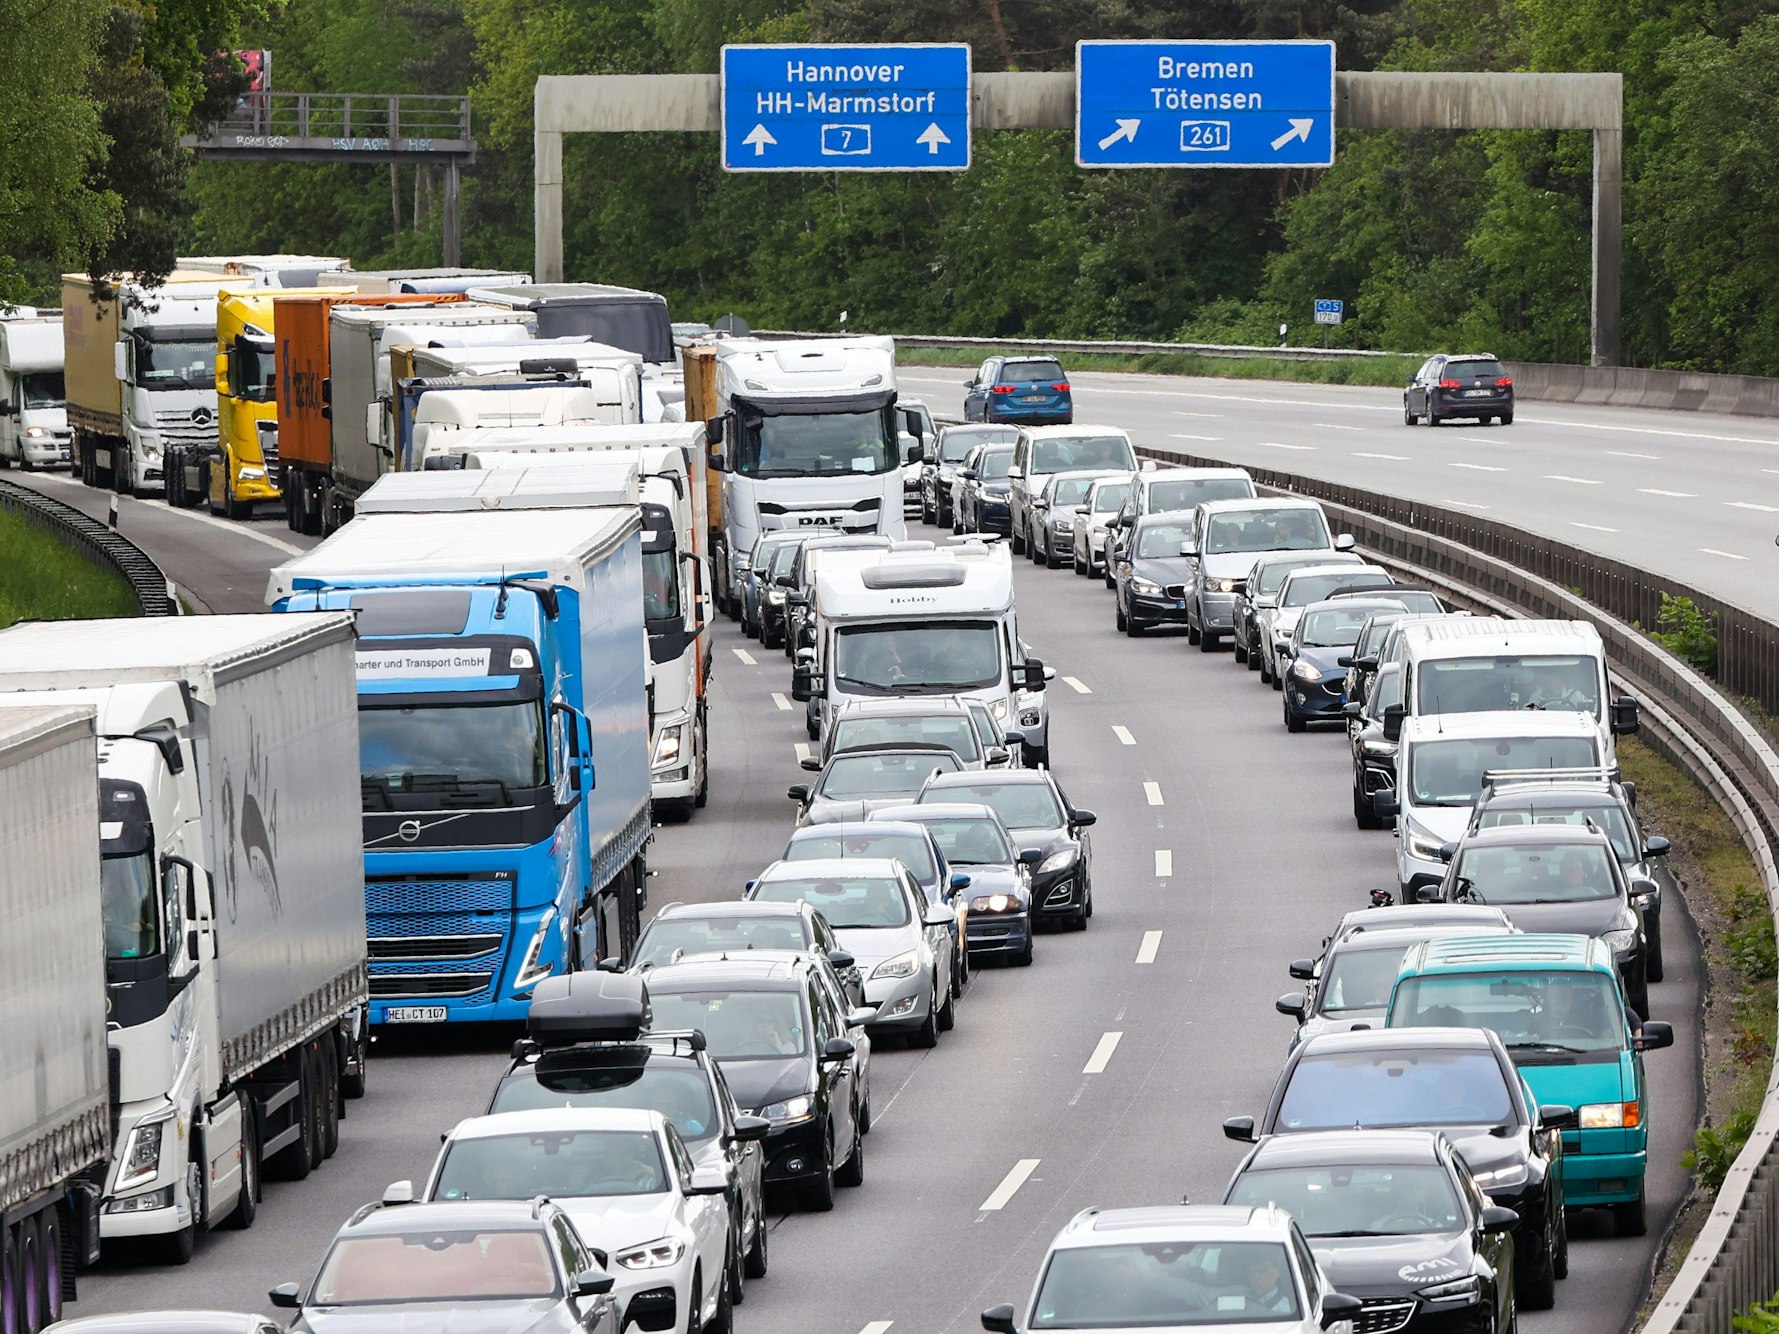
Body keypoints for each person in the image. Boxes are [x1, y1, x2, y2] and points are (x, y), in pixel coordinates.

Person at [1226, 1246, 1297, 1316]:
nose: (1256, 1277)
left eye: (1263, 1272)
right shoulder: (1236, 1296)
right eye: (1252, 1272)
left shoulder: (1287, 1310)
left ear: (1277, 1272)